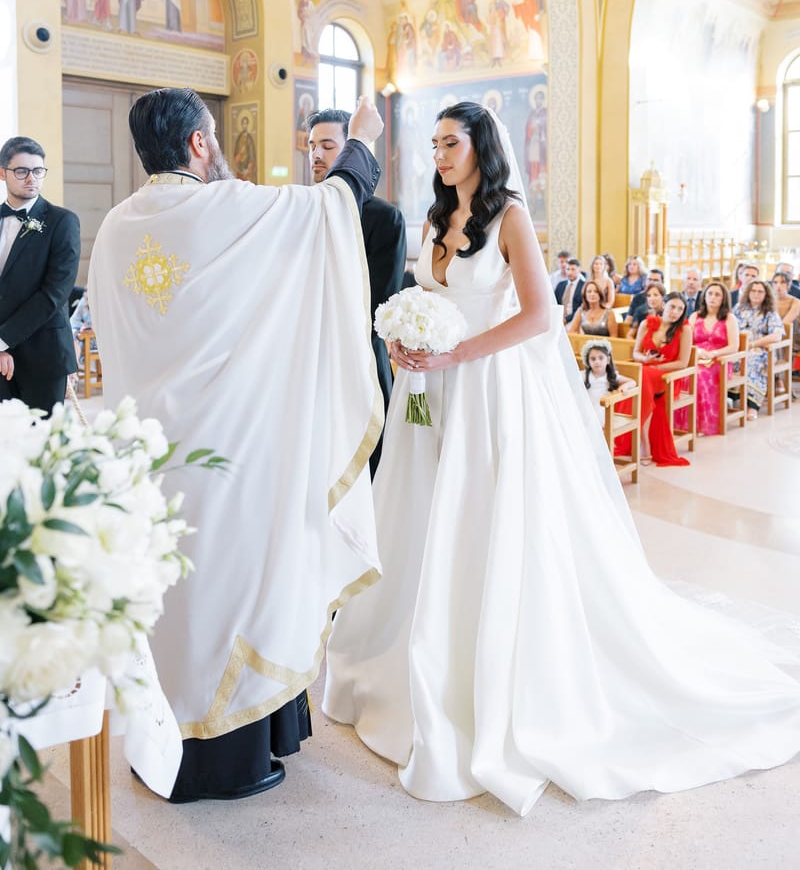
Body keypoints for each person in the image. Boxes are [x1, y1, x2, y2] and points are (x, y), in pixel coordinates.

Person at [323, 102, 800, 815]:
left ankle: (489, 670)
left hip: (489, 390)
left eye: (451, 143)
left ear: (482, 146)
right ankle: (407, 653)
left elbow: (539, 317)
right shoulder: (431, 221)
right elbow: (426, 294)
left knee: (484, 517)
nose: (440, 155)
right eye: (434, 144)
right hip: (430, 397)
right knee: (423, 517)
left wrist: (454, 352)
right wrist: (408, 338)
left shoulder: (509, 216)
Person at [88, 88, 384, 804]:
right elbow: (331, 210)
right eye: (212, 135)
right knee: (233, 592)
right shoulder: (226, 210)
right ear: (196, 143)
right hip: (227, 452)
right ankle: (231, 762)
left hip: (152, 457)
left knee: (171, 596)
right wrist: (366, 140)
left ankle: (163, 749)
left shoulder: (115, 226)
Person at [307, 108, 407, 478]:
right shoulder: (306, 209)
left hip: (361, 360)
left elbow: (381, 304)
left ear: (354, 152)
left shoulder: (383, 218)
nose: (317, 155)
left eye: (328, 146)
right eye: (312, 146)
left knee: (371, 473)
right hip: (312, 363)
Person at [0, 136, 80, 415]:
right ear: (2, 172)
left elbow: (54, 293)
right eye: (21, 171)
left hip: (44, 355)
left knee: (42, 446)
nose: (31, 178)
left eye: (38, 171)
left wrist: (2, 340)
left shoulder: (63, 221)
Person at [631, 290, 692, 466]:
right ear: (664, 305)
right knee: (640, 376)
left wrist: (656, 366)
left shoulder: (685, 329)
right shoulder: (646, 324)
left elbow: (682, 362)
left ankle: (644, 444)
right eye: (672, 306)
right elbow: (636, 352)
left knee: (643, 375)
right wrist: (645, 359)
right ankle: (640, 439)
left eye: (680, 309)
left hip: (668, 377)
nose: (675, 312)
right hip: (646, 372)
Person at [687, 281, 740, 436]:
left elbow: (734, 347)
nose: (712, 297)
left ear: (723, 298)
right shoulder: (695, 316)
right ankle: (688, 422)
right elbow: (687, 342)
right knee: (686, 374)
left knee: (700, 375)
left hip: (720, 361)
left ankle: (703, 423)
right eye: (710, 293)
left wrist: (713, 354)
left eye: (717, 294)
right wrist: (698, 352)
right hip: (698, 356)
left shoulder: (729, 319)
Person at [733, 279, 784, 420]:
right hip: (737, 348)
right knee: (728, 362)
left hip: (760, 350)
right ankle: (731, 398)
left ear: (766, 294)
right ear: (748, 292)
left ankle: (752, 405)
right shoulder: (738, 308)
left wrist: (753, 344)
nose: (756, 294)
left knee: (752, 362)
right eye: (753, 291)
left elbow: (777, 335)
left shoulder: (770, 311)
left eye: (760, 291)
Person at [580, 337, 635, 427]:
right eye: (593, 359)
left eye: (601, 358)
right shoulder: (584, 375)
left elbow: (632, 382)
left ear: (608, 360)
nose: (597, 362)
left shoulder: (610, 376)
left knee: (595, 418)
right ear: (588, 361)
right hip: (587, 405)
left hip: (602, 407)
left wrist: (625, 386)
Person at [554, 256, 583, 323]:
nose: (570, 272)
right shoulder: (560, 285)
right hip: (559, 319)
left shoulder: (584, 286)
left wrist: (567, 319)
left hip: (576, 320)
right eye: (568, 269)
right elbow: (555, 303)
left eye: (573, 269)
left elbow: (582, 308)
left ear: (579, 270)